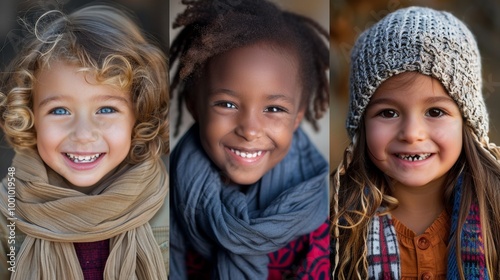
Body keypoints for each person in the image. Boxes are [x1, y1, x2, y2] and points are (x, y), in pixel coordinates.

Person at [0, 5, 169, 280]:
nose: (83, 133)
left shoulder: (170, 207)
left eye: (105, 110)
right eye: (59, 111)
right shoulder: (7, 209)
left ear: (138, 116)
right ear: (31, 116)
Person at [331, 6, 500, 280]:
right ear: (361, 124)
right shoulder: (338, 229)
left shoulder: (495, 217)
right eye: (388, 113)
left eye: (435, 112)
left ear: (467, 122)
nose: (411, 133)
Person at [169, 0, 329, 278]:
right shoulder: (166, 195)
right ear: (195, 105)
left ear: (297, 117)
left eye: (274, 109)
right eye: (227, 104)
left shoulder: (319, 214)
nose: (250, 129)